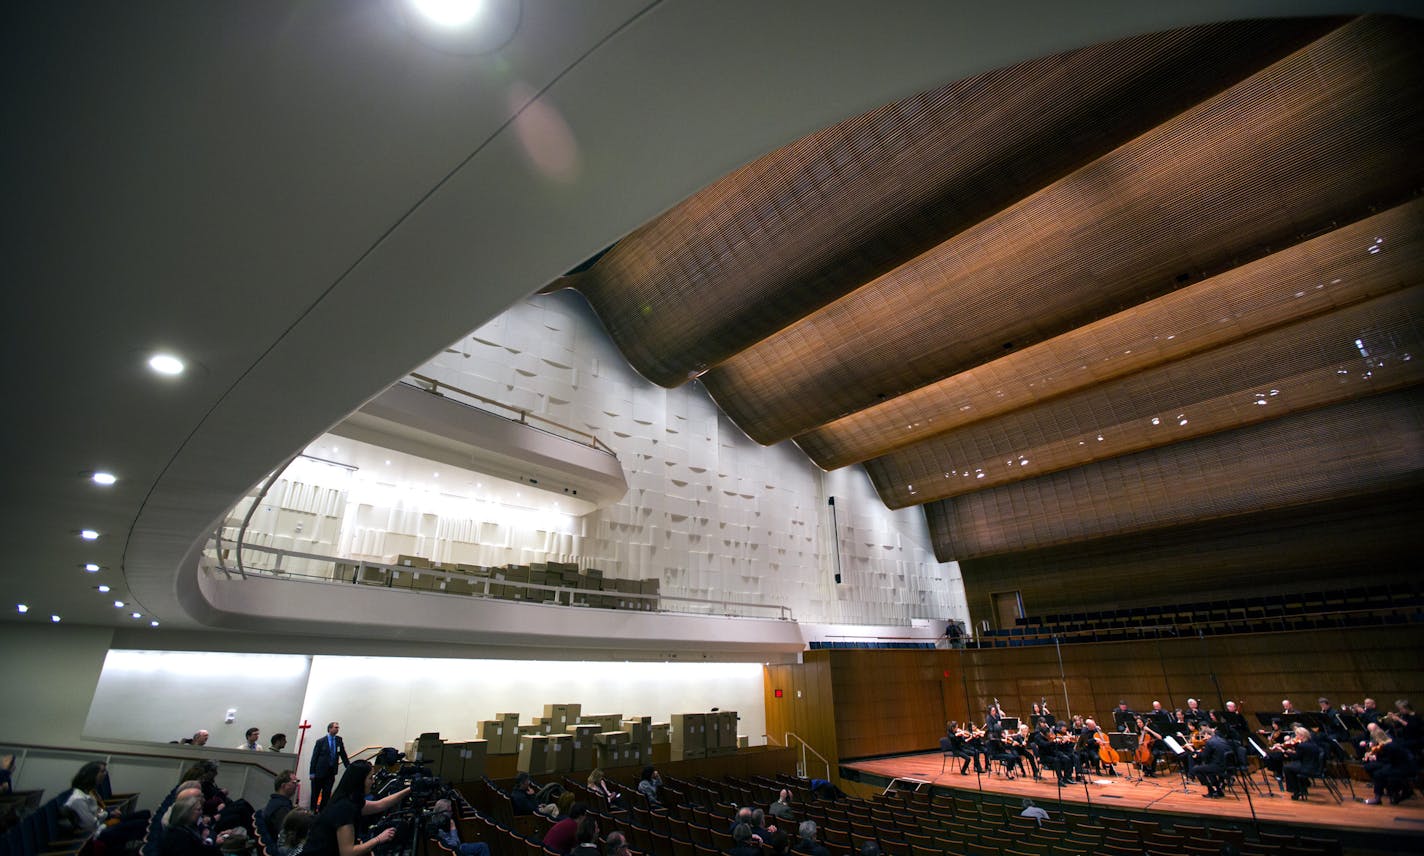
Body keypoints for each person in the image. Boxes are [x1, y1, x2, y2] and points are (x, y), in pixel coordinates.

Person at [302, 760, 409, 856]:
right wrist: (379, 839)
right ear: (359, 781)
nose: (373, 782)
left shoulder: (349, 801)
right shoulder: (345, 808)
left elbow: (380, 804)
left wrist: (409, 789)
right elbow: (348, 852)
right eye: (370, 778)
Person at [65, 760, 151, 849]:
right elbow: (91, 825)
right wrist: (107, 817)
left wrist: (106, 814)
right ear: (92, 775)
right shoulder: (78, 799)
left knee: (145, 814)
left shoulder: (89, 791)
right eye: (102, 771)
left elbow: (98, 810)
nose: (105, 774)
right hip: (97, 833)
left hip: (103, 824)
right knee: (141, 825)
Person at [161, 793, 230, 856]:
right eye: (198, 810)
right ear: (186, 813)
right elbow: (199, 851)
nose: (201, 812)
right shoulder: (178, 836)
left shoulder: (187, 828)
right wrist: (214, 843)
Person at [308, 722, 349, 811]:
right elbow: (314, 757)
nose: (337, 729)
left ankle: (322, 812)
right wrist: (312, 773)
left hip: (331, 773)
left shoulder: (339, 740)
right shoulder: (321, 741)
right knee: (315, 793)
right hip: (319, 772)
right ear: (330, 729)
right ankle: (312, 812)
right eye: (335, 727)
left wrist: (348, 767)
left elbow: (343, 755)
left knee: (327, 794)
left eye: (338, 728)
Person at [1283, 725, 1324, 800]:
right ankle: (1303, 788)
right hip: (1315, 766)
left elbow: (1296, 757)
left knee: (1287, 768)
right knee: (1293, 766)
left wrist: (1286, 752)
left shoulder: (1302, 746)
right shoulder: (1311, 743)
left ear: (1302, 736)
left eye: (1297, 735)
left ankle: (1296, 791)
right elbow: (1302, 755)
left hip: (1308, 769)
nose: (1296, 737)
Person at [1191, 726, 1230, 799]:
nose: (1203, 738)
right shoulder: (1221, 739)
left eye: (1203, 736)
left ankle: (1211, 790)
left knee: (1196, 769)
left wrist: (1196, 754)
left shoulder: (1210, 742)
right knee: (1208, 769)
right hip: (1227, 766)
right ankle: (1218, 791)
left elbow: (1204, 756)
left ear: (1206, 734)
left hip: (1218, 766)